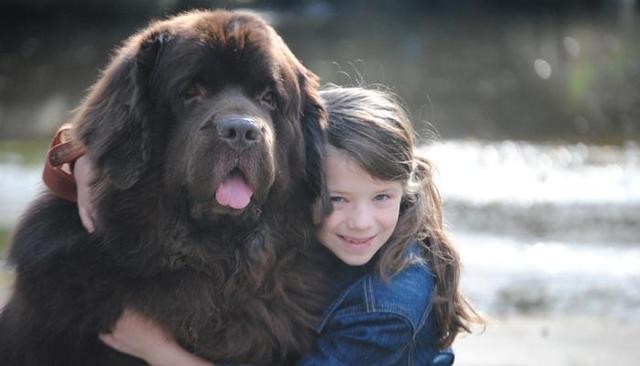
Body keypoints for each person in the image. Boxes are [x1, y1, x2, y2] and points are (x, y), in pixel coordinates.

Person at [43, 86, 482, 365]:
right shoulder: (294, 204)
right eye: (336, 200)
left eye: (381, 197)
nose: (361, 222)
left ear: (405, 188)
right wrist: (83, 162)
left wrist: (157, 351)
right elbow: (151, 149)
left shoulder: (387, 306)